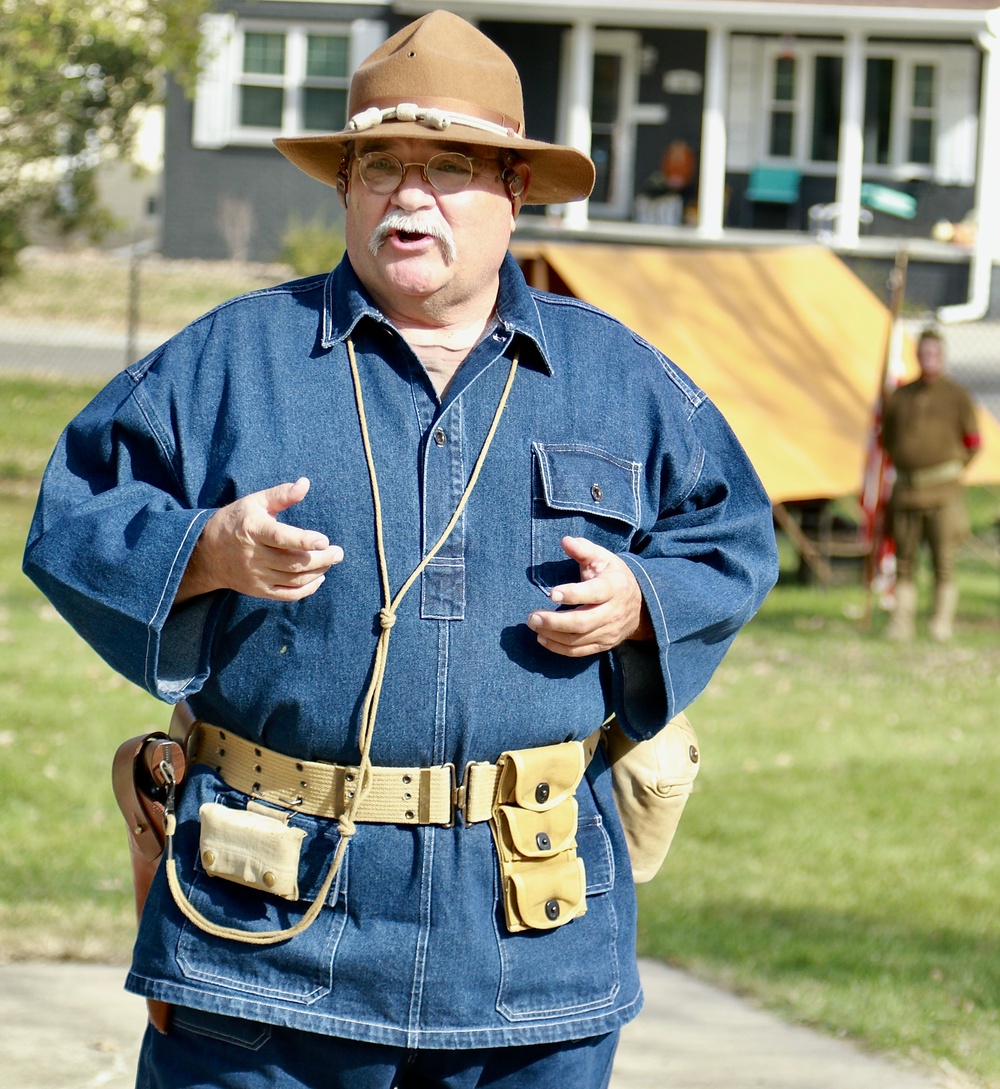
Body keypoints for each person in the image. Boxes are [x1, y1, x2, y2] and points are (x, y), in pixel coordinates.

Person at [23, 11, 778, 1088]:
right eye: (380, 164)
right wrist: (206, 551)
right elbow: (73, 517)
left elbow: (734, 535)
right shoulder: (234, 357)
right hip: (264, 938)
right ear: (344, 187)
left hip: (526, 942)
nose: (408, 194)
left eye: (450, 166)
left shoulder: (621, 376)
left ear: (514, 190)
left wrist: (644, 601)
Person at [882, 327, 980, 641]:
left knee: (944, 561)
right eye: (924, 353)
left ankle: (941, 625)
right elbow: (887, 439)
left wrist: (953, 470)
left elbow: (973, 441)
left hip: (944, 494)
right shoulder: (900, 396)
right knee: (905, 563)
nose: (929, 359)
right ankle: (901, 625)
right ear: (917, 356)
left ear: (943, 356)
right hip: (907, 492)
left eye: (935, 353)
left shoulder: (957, 396)